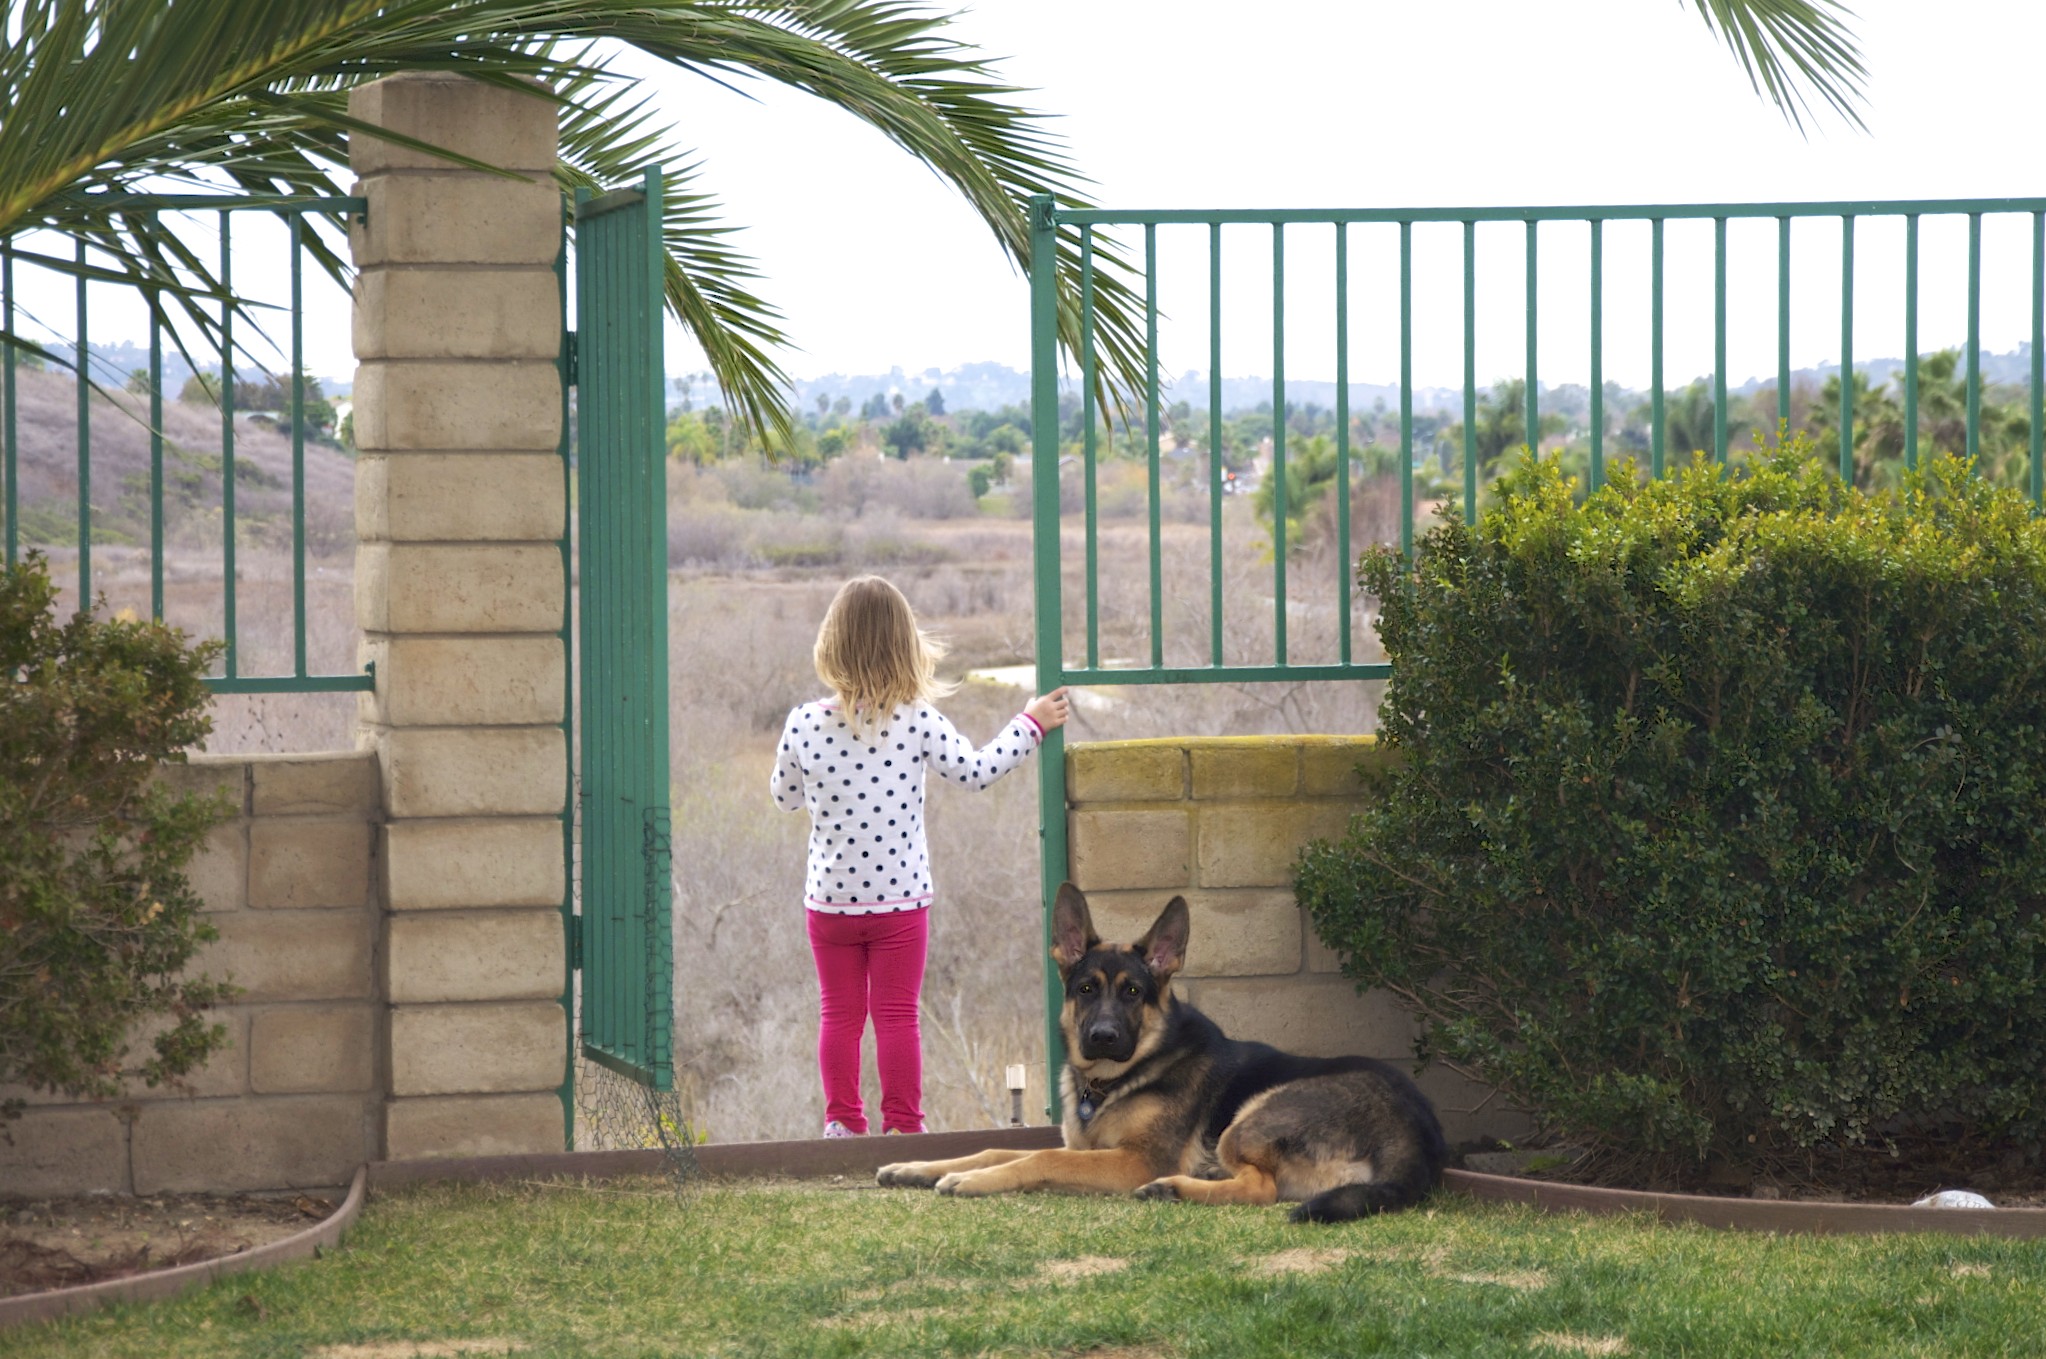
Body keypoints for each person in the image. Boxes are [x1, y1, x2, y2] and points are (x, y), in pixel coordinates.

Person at [771, 575, 1070, 1138]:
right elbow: (977, 772)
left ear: (831, 646)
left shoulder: (803, 723)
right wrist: (1030, 723)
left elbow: (783, 797)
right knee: (896, 1018)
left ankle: (842, 1125)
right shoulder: (917, 720)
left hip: (830, 902)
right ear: (905, 646)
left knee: (839, 1015)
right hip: (900, 902)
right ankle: (904, 1128)